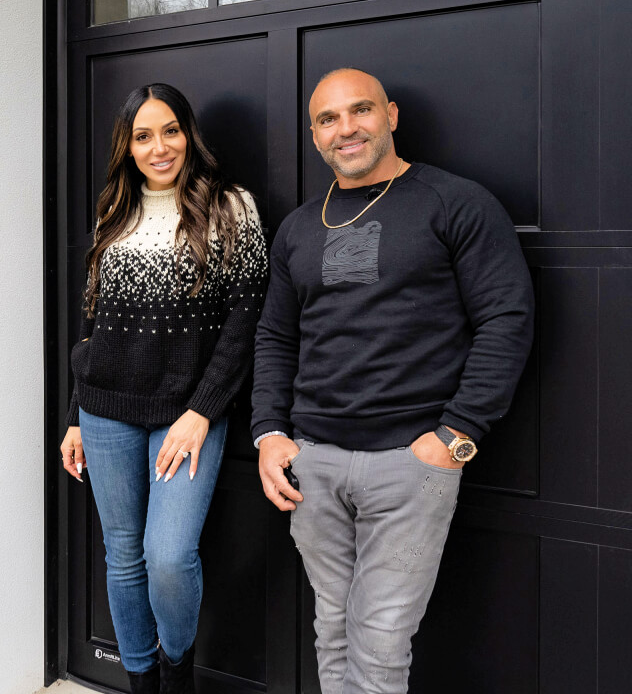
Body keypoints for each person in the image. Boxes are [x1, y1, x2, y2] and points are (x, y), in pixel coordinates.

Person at [251, 68, 534, 693]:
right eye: (328, 119)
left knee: (378, 643)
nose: (345, 129)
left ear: (392, 115)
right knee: (333, 629)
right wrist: (270, 433)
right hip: (314, 465)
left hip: (409, 465)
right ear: (314, 133)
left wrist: (456, 436)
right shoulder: (299, 226)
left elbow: (506, 319)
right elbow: (275, 337)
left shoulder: (455, 203)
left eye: (360, 111)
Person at [61, 83, 268, 694]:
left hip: (187, 415)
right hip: (105, 412)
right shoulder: (113, 212)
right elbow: (92, 321)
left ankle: (178, 674)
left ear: (188, 134)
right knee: (123, 557)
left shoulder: (232, 207)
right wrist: (75, 415)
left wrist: (203, 410)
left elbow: (246, 319)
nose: (159, 147)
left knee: (169, 556)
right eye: (143, 135)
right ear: (127, 146)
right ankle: (142, 685)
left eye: (170, 130)